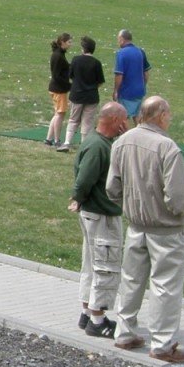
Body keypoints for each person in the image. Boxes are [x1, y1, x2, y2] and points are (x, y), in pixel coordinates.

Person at [105, 95, 184, 363]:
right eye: (169, 114)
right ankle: (163, 344)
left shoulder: (123, 141)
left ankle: (125, 332)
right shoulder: (167, 148)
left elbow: (112, 188)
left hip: (136, 226)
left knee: (131, 280)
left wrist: (131, 204)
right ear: (162, 115)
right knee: (165, 286)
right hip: (164, 230)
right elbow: (177, 197)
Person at [68, 102, 128, 338]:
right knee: (105, 266)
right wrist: (77, 197)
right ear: (114, 120)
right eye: (123, 120)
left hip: (93, 213)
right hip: (101, 215)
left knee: (91, 264)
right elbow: (84, 180)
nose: (126, 124)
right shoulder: (98, 148)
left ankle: (86, 312)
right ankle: (97, 319)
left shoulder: (99, 143)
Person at [63, 35, 105, 151]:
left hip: (77, 95)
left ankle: (67, 142)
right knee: (87, 121)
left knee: (73, 119)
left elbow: (71, 76)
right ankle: (84, 145)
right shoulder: (96, 63)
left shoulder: (76, 60)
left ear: (83, 49)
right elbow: (100, 81)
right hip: (91, 96)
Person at [113, 29, 151, 120]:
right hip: (139, 91)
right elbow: (146, 73)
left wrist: (116, 91)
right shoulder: (140, 52)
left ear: (122, 39)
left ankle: (125, 134)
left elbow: (119, 75)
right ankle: (140, 133)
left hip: (126, 92)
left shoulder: (121, 53)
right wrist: (143, 86)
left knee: (123, 117)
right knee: (137, 116)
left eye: (118, 39)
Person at [46, 32, 73, 148]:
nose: (70, 44)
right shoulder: (58, 56)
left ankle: (48, 139)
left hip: (57, 88)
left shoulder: (59, 54)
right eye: (69, 42)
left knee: (57, 113)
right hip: (58, 89)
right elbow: (57, 76)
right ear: (62, 42)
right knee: (60, 114)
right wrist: (69, 86)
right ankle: (57, 140)